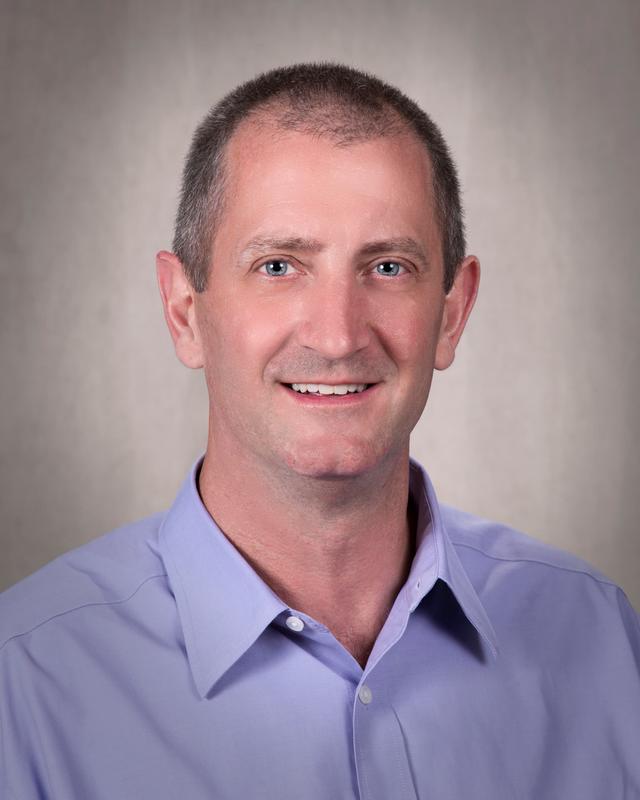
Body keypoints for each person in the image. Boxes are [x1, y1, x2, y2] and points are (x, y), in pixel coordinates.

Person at [1, 63, 638, 800]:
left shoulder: (601, 640)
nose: (337, 337)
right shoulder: (26, 682)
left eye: (389, 266)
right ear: (184, 312)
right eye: (279, 266)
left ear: (452, 314)